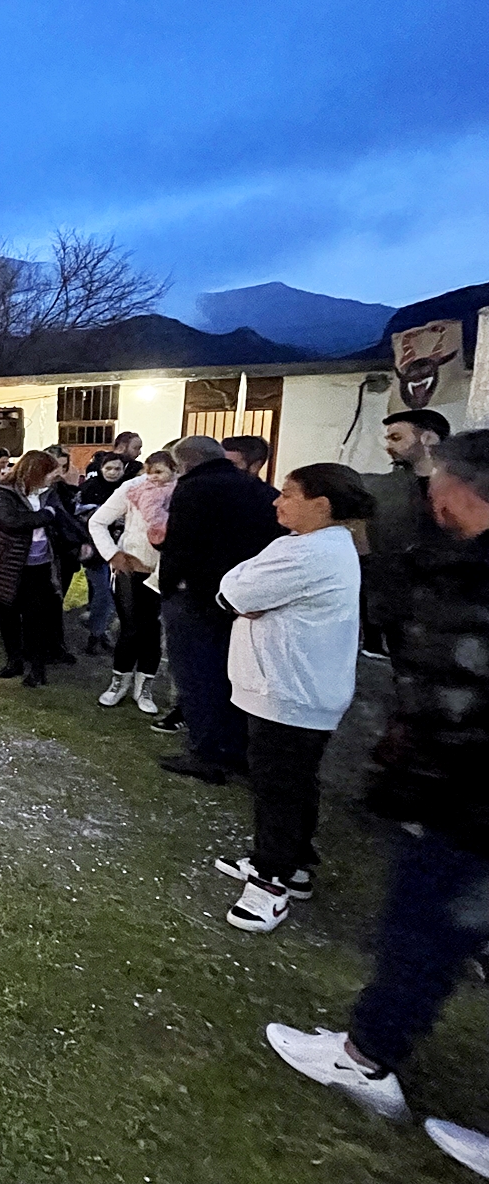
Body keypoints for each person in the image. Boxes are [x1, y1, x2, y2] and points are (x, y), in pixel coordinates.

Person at [263, 432, 489, 1167]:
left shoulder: (466, 578)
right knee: (429, 937)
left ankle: (364, 1060)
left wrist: (413, 778)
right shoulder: (448, 563)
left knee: (421, 935)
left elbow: (453, 695)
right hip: (456, 797)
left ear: (459, 490)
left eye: (437, 482)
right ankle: (371, 1049)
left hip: (464, 805)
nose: (429, 495)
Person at [212, 463, 371, 933]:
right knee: (295, 781)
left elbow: (234, 591)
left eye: (288, 494)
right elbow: (242, 584)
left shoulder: (309, 552)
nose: (276, 502)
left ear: (321, 505)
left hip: (289, 688)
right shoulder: (317, 545)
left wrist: (241, 592)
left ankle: (270, 884)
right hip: (298, 687)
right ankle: (295, 863)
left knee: (278, 787)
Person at [155, 435, 286, 783]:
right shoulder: (260, 490)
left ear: (185, 463)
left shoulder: (194, 488)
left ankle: (206, 753)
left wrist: (168, 587)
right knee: (233, 676)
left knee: (197, 676)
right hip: (240, 598)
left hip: (196, 596)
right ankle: (237, 749)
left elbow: (179, 544)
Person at [0, 449, 74, 687]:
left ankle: (37, 668)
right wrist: (47, 514)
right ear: (35, 472)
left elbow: (64, 518)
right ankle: (14, 660)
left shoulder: (49, 492)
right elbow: (12, 521)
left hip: (40, 564)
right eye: (49, 473)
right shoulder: (3, 492)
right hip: (8, 564)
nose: (54, 477)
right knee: (8, 615)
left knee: (36, 618)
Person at [88, 450, 178, 715]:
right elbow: (98, 521)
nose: (154, 477)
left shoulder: (184, 491)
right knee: (131, 627)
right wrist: (113, 554)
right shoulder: (133, 488)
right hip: (132, 568)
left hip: (166, 570)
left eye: (161, 471)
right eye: (151, 471)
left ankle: (144, 686)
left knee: (153, 630)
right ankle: (119, 681)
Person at [360, 409, 451, 659]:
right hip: (391, 600)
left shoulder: (461, 488)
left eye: (396, 438)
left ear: (428, 438)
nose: (388, 446)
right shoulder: (382, 489)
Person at [74, 452, 127, 655]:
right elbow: (80, 518)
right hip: (95, 550)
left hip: (121, 548)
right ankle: (95, 634)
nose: (113, 473)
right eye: (108, 468)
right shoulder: (89, 488)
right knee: (103, 592)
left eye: (117, 469)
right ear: (101, 469)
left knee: (115, 594)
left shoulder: (127, 489)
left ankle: (102, 630)